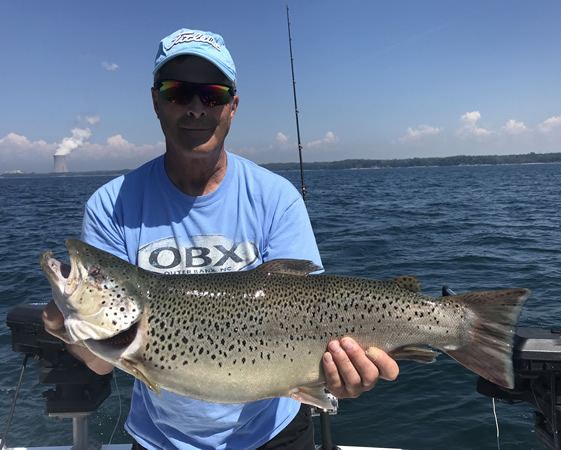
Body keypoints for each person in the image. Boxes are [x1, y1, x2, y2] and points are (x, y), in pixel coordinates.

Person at [43, 28, 399, 449]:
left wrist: (341, 376)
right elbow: (101, 364)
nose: (196, 108)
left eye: (211, 95)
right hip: (161, 440)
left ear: (232, 106)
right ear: (156, 101)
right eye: (178, 92)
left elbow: (310, 302)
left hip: (277, 433)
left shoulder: (277, 198)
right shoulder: (111, 205)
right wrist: (69, 328)